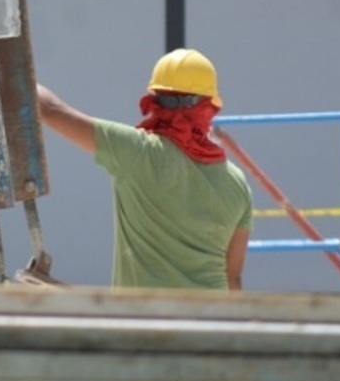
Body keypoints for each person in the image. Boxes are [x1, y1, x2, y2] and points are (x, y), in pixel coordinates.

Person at [35, 48, 252, 290]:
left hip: (146, 321)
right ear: (210, 106)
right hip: (209, 321)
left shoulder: (136, 152)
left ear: (154, 100)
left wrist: (2, 65)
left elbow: (48, 109)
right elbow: (233, 277)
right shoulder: (237, 183)